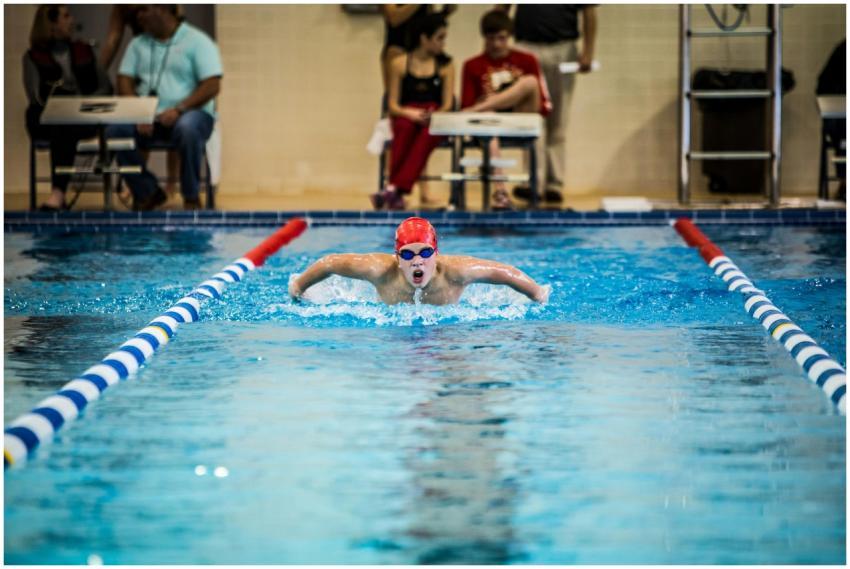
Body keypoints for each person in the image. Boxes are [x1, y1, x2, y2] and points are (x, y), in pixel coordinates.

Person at [105, 4, 222, 211]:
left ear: (162, 8)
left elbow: (212, 85)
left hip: (190, 114)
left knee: (188, 127)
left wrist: (180, 109)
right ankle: (148, 192)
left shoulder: (197, 41)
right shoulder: (137, 45)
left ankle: (191, 196)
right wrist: (139, 112)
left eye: (143, 10)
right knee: (115, 130)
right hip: (149, 119)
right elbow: (124, 80)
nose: (138, 16)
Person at [289, 217, 549, 305]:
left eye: (425, 253)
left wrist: (537, 293)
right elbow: (330, 262)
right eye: (408, 254)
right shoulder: (378, 269)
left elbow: (504, 272)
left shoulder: (457, 272)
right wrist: (298, 287)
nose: (417, 262)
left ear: (436, 254)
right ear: (397, 257)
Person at [502, 4, 597, 205]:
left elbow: (589, 11)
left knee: (558, 119)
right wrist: (497, 39)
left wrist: (588, 50)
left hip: (563, 47)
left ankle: (554, 183)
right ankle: (531, 180)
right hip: (526, 45)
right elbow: (501, 9)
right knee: (530, 119)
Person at [23, 4, 112, 212]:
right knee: (59, 122)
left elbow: (105, 87)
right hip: (46, 118)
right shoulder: (32, 57)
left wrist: (82, 103)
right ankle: (59, 193)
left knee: (66, 123)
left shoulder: (84, 51)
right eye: (65, 16)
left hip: (81, 116)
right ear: (51, 24)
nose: (71, 20)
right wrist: (61, 105)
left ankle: (58, 193)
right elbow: (35, 97)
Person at [461, 9, 551, 210]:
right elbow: (465, 107)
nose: (496, 44)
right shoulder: (472, 65)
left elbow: (541, 103)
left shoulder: (527, 60)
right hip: (490, 125)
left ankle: (534, 186)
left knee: (529, 82)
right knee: (489, 117)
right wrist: (486, 108)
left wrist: (487, 102)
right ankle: (500, 192)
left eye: (501, 38)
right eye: (491, 38)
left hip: (521, 120)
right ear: (484, 37)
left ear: (509, 36)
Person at [372, 14, 455, 211]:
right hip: (407, 114)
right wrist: (411, 113)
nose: (443, 43)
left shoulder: (446, 65)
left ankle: (394, 188)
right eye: (439, 38)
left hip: (435, 117)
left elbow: (448, 104)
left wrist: (432, 115)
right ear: (424, 38)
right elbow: (393, 105)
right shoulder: (399, 63)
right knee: (403, 126)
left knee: (428, 133)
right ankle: (397, 191)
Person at [816, 39, 845, 200]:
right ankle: (845, 182)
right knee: (843, 135)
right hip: (838, 116)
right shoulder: (842, 51)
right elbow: (823, 89)